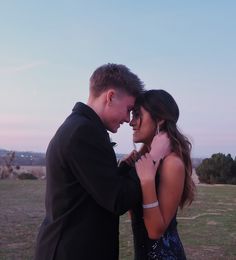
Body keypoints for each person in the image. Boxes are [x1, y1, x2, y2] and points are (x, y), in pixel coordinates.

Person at [34, 64, 169, 260]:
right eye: (129, 109)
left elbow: (94, 188)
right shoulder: (83, 132)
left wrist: (124, 169)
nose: (127, 119)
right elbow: (117, 200)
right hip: (72, 251)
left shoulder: (80, 125)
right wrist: (153, 157)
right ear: (110, 96)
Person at [123, 89, 196, 259]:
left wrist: (147, 180)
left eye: (137, 115)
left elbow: (155, 231)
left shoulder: (171, 163)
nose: (131, 122)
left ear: (160, 120)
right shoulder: (145, 160)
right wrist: (127, 171)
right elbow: (135, 214)